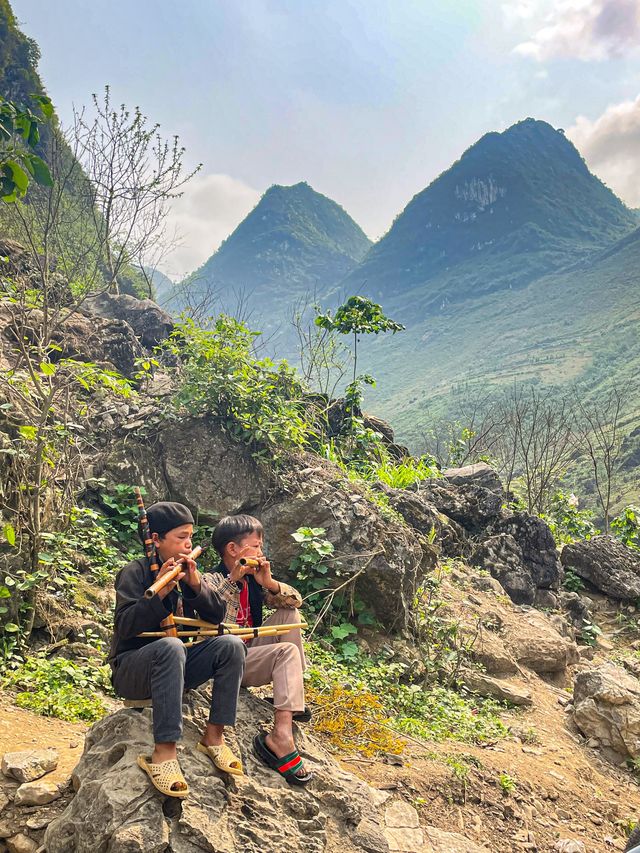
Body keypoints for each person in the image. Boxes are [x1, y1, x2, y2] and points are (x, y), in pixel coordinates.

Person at [108, 501, 246, 798]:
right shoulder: (134, 572)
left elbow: (216, 617)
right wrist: (158, 591)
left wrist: (195, 585)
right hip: (132, 671)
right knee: (171, 646)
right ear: (156, 540)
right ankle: (164, 755)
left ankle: (214, 737)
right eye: (181, 537)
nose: (188, 544)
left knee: (231, 646)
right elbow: (126, 627)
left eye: (191, 538)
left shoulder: (185, 571)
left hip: (174, 667)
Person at [204, 514, 313, 786]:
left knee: (290, 615)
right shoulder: (210, 579)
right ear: (233, 550)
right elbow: (212, 615)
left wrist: (270, 584)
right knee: (286, 651)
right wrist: (233, 580)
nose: (261, 553)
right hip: (225, 661)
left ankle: (291, 698)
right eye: (256, 546)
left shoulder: (254, 581)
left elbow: (295, 601)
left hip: (251, 653)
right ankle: (281, 736)